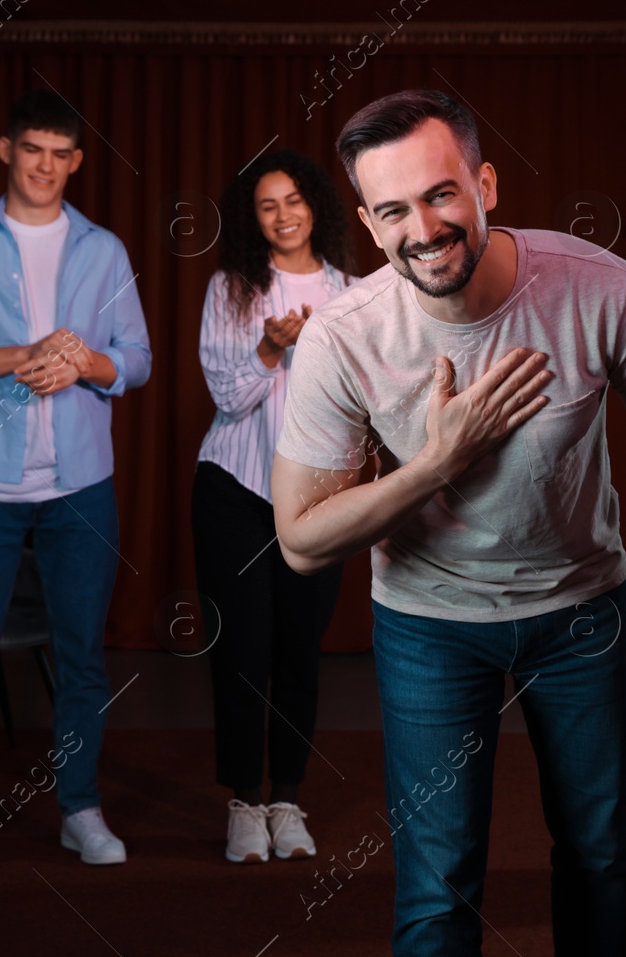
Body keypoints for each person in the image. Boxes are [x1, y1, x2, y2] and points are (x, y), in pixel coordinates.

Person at [270, 89, 626, 955]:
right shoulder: (343, 337)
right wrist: (436, 463)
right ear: (366, 220)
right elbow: (301, 540)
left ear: (485, 183)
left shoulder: (598, 287)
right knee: (437, 883)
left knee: (598, 854)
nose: (422, 228)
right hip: (429, 625)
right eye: (392, 210)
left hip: (580, 612)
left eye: (440, 194)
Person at [0, 89, 151, 878]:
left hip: (81, 486)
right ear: (7, 151)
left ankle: (80, 808)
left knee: (83, 657)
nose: (46, 166)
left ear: (76, 161)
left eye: (61, 153)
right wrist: (22, 355)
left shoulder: (105, 250)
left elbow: (135, 362)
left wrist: (84, 361)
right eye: (32, 149)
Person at [192, 150, 357, 864]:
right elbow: (229, 399)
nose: (284, 214)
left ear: (315, 204)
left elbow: (367, 397)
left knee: (298, 653)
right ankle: (243, 802)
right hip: (235, 491)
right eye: (267, 204)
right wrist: (266, 348)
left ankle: (286, 798)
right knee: (241, 653)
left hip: (317, 503)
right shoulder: (230, 288)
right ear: (251, 218)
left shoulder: (354, 292)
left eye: (294, 199)